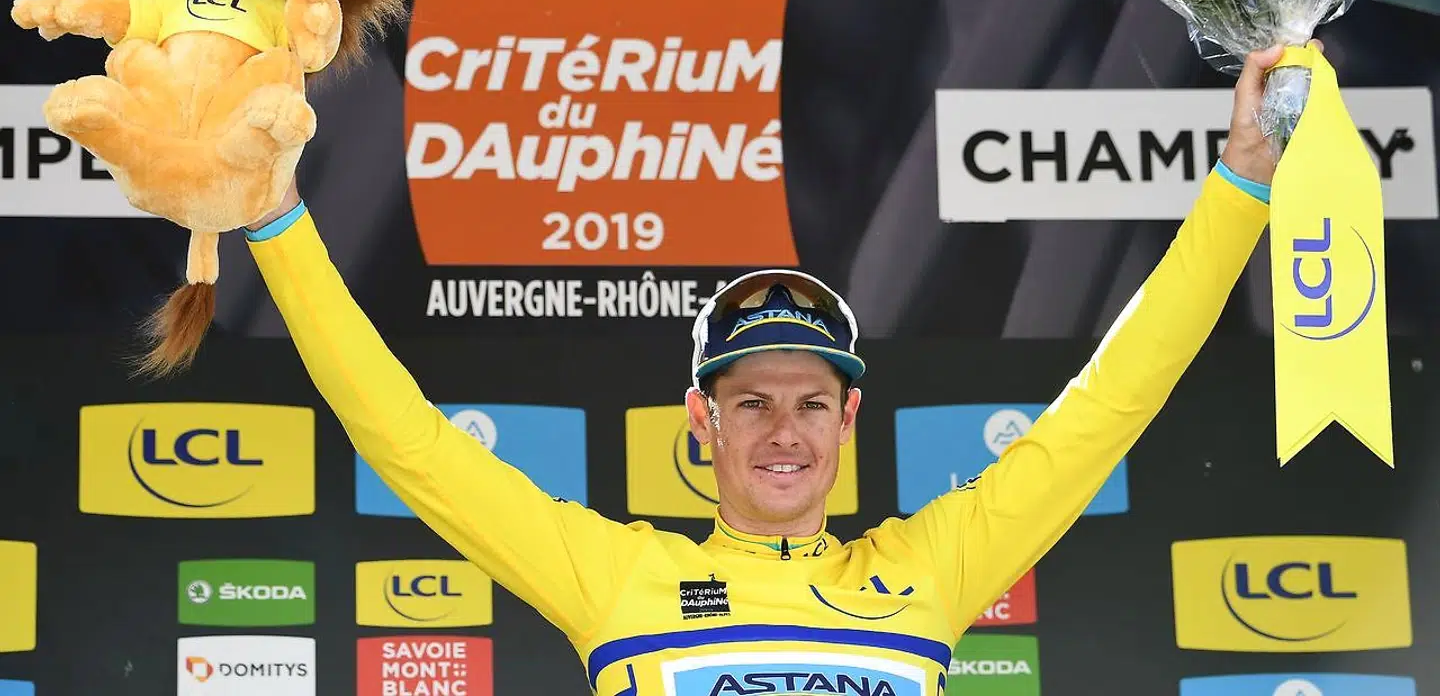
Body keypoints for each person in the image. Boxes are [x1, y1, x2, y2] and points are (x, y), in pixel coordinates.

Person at [243, 42, 1294, 695]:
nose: (783, 431)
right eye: (751, 404)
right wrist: (277, 223)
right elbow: (407, 440)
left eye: (808, 402)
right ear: (701, 421)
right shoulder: (621, 579)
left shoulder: (927, 572)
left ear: (850, 419)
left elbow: (1111, 405)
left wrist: (1243, 180)